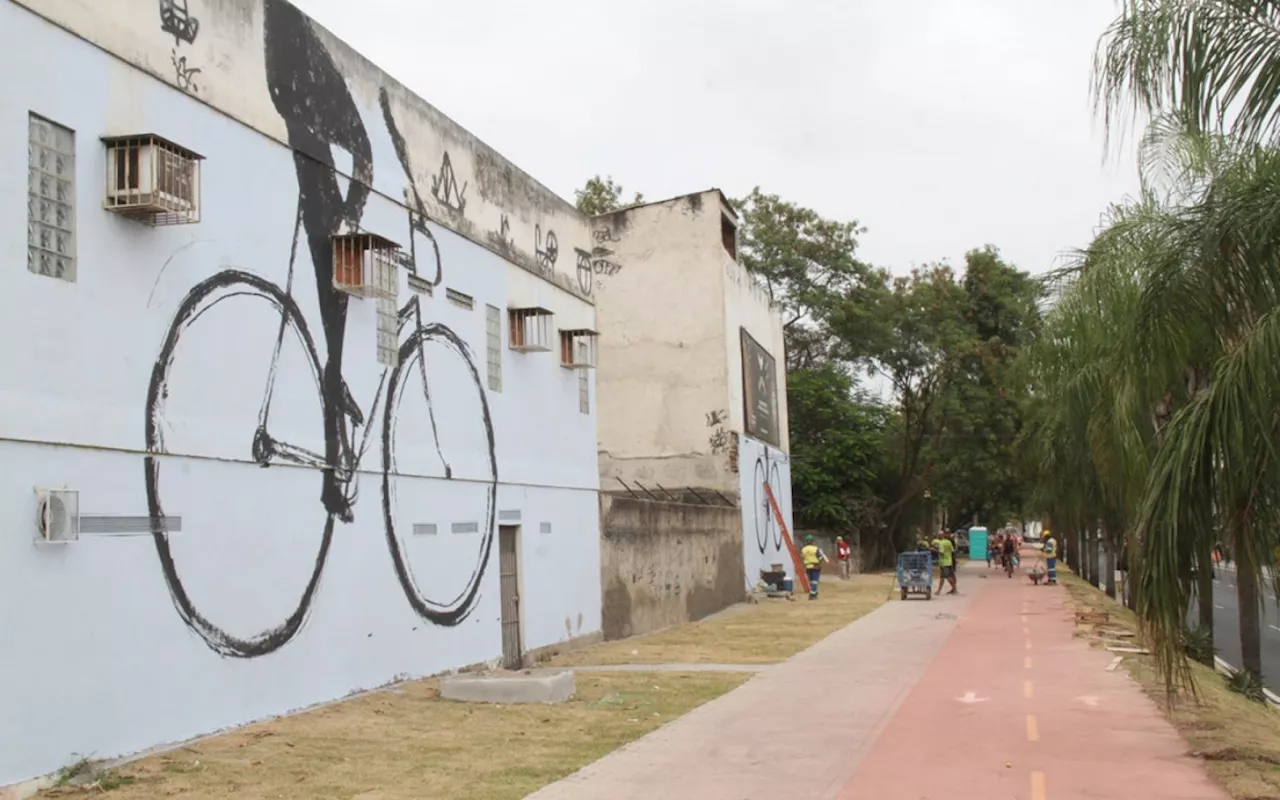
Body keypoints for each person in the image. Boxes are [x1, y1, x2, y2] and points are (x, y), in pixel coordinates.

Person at [800, 535, 830, 600]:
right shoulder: (815, 549)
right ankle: (812, 595)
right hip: (815, 566)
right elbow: (820, 558)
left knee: (811, 581)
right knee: (815, 581)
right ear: (812, 541)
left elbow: (802, 557)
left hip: (807, 567)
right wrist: (821, 561)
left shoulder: (803, 549)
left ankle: (814, 592)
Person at [933, 531, 958, 595]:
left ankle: (954, 589)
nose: (938, 536)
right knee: (942, 577)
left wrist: (934, 550)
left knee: (948, 576)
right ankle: (939, 590)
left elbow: (941, 552)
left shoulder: (941, 543)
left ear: (941, 536)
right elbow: (952, 550)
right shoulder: (948, 542)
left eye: (939, 535)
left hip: (944, 562)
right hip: (949, 561)